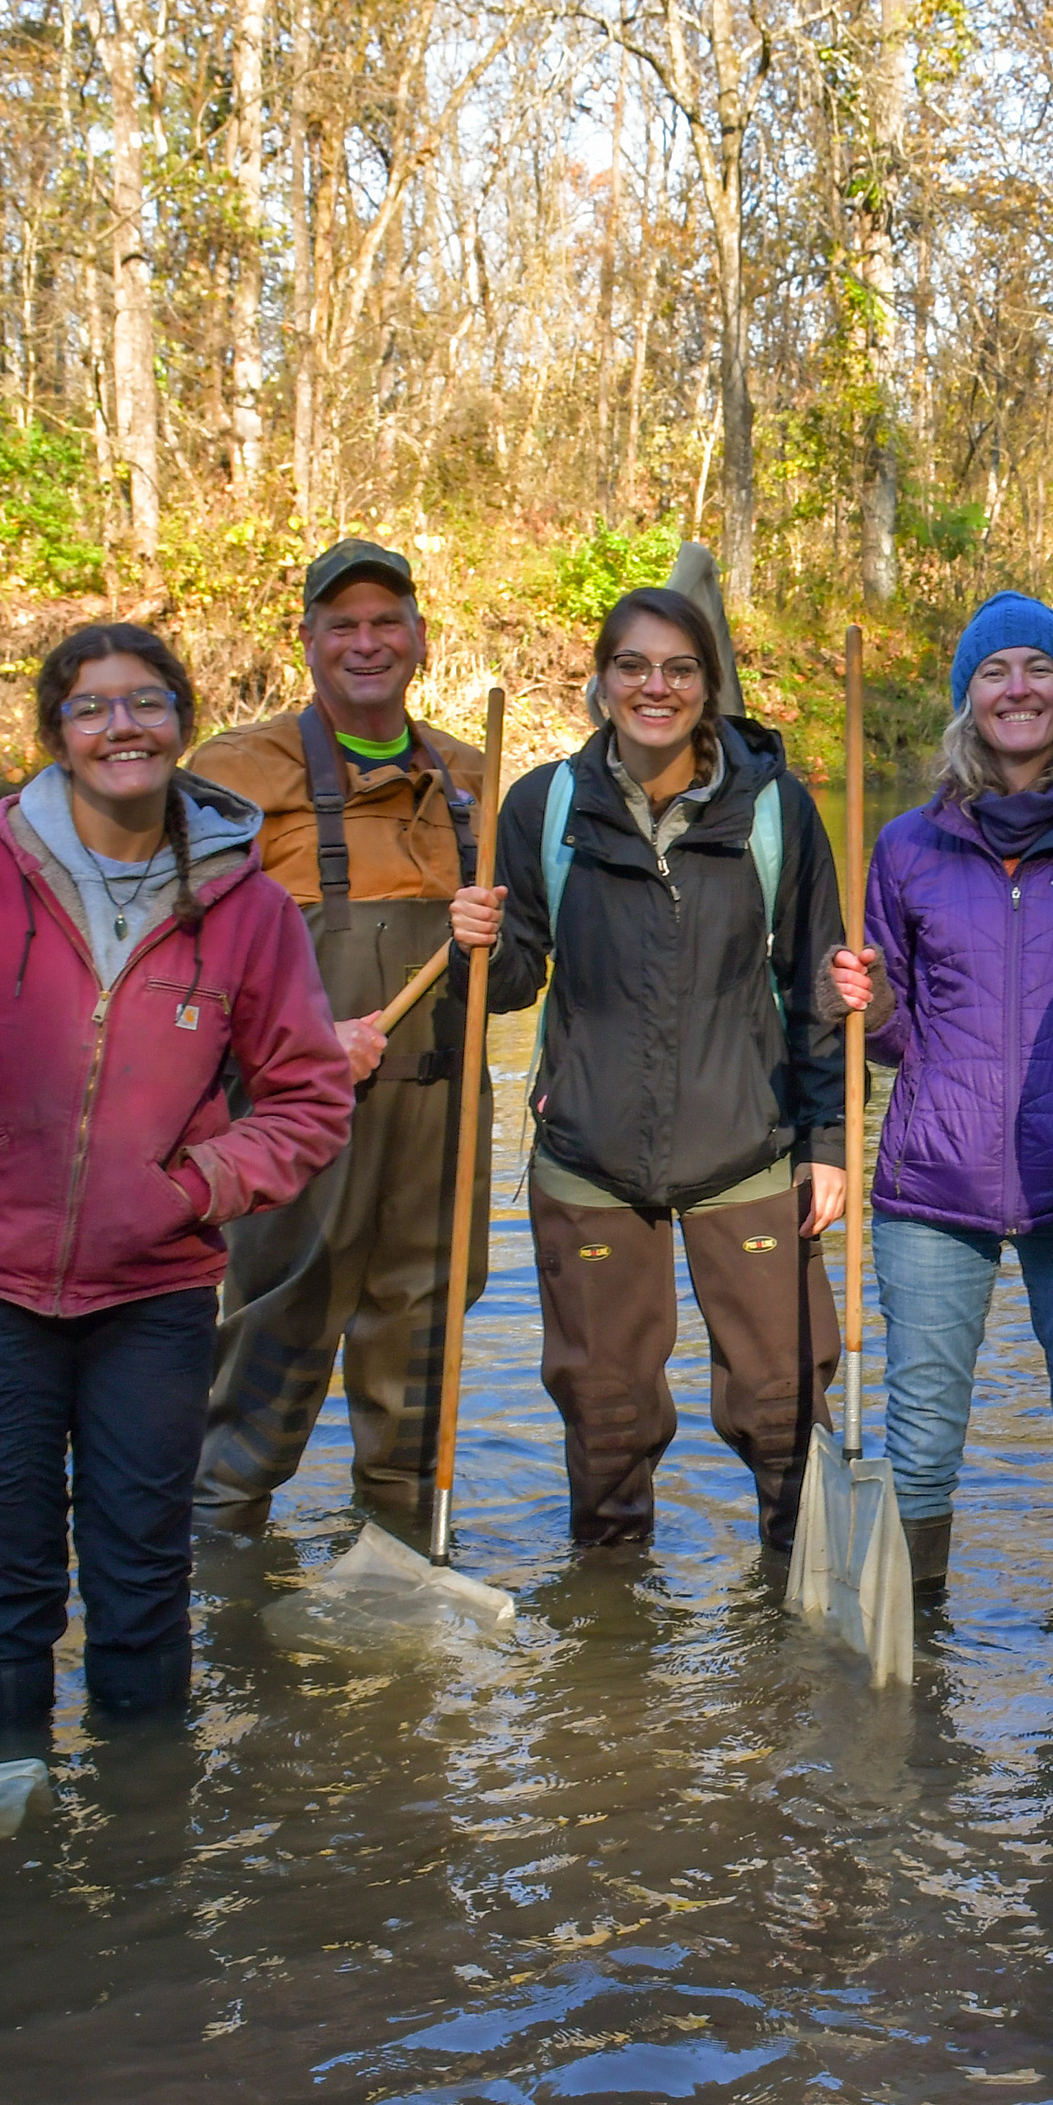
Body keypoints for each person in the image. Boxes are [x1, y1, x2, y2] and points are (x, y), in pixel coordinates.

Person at [0, 623, 354, 1729]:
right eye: (91, 707)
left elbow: (310, 1100)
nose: (122, 725)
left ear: (182, 722)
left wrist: (192, 1188)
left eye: (148, 702)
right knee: (6, 1585)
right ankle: (5, 1850)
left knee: (139, 1586)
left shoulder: (248, 907)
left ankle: (141, 1849)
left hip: (153, 1297)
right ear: (57, 736)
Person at [450, 586, 863, 1553]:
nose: (655, 686)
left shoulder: (777, 813)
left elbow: (818, 987)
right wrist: (476, 939)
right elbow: (512, 983)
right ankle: (609, 1652)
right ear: (600, 684)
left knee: (783, 1410)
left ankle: (796, 1637)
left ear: (709, 688)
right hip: (590, 1157)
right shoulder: (543, 806)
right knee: (607, 1422)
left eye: (680, 668)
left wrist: (832, 1143)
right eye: (632, 665)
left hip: (747, 1149)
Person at [855, 592, 1053, 1603]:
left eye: (1037, 669)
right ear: (967, 701)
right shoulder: (906, 847)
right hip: (934, 1179)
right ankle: (914, 1661)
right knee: (922, 1434)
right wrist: (858, 1004)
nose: (1017, 688)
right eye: (994, 672)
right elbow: (896, 1036)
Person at [182, 538, 490, 1544]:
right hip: (293, 1109)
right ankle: (215, 1578)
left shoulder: (472, 779)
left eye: (387, 622)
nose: (368, 643)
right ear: (308, 642)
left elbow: (520, 975)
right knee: (273, 1337)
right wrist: (307, 1038)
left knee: (420, 1361)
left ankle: (402, 1564)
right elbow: (182, 960)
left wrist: (509, 936)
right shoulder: (234, 772)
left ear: (422, 641)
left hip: (442, 1115)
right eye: (343, 624)